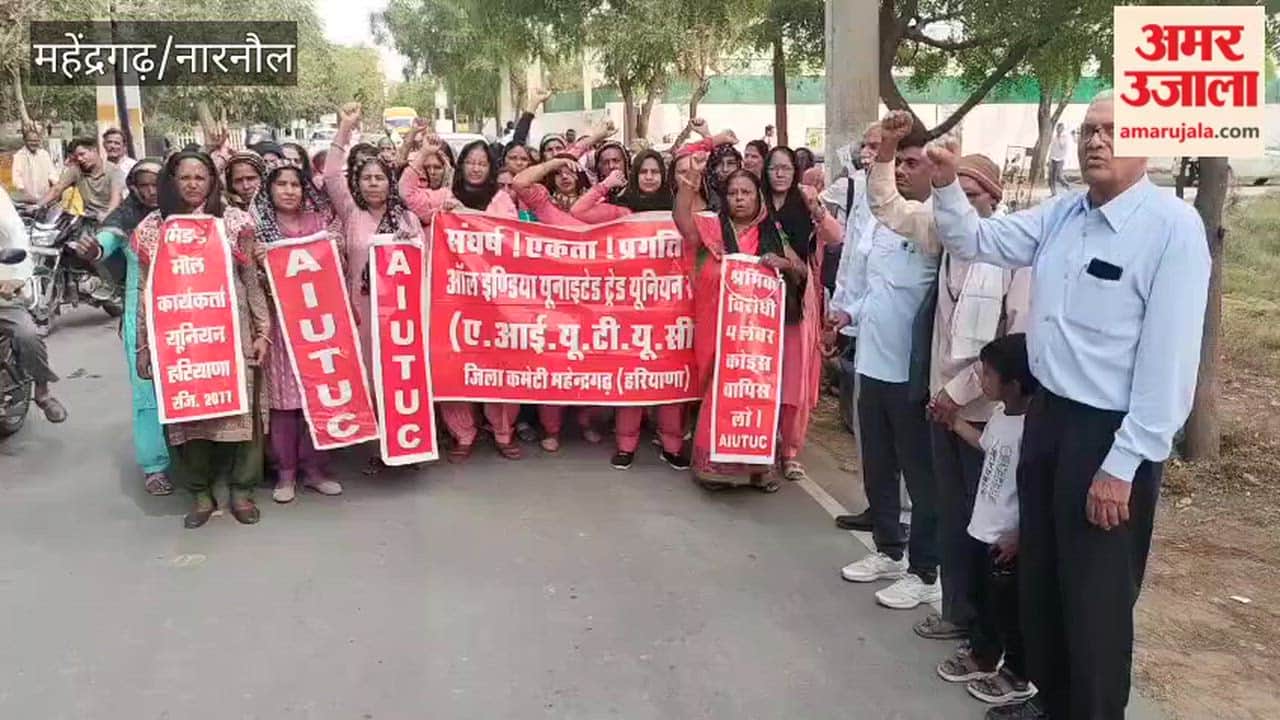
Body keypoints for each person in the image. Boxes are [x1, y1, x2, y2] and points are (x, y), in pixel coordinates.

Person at [928, 89, 1211, 720]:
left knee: (1095, 601)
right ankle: (1051, 703)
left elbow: (1169, 364)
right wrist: (947, 187)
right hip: (1049, 418)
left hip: (1109, 436)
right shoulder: (1064, 214)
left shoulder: (1171, 230)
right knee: (1045, 582)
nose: (1096, 141)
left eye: (1111, 130)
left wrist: (1124, 464)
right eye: (1088, 129)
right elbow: (976, 240)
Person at [865, 109, 1034, 640]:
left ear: (992, 199)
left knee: (990, 519)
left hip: (991, 413)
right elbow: (887, 206)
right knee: (951, 511)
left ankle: (987, 629)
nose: (960, 204)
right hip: (943, 404)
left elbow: (1015, 342)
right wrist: (887, 151)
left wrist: (959, 395)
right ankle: (957, 614)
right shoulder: (943, 237)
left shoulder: (1014, 252)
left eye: (971, 194)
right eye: (952, 193)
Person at [133, 150, 272, 528]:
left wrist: (263, 331)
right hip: (180, 339)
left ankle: (242, 490)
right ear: (172, 182)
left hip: (231, 332)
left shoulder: (233, 222)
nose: (193, 184)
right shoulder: (153, 228)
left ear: (212, 181)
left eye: (201, 177)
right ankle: (200, 493)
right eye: (185, 177)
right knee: (187, 415)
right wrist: (143, 346)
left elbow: (251, 282)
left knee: (242, 411)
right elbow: (146, 290)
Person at [833, 126, 941, 610]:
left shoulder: (938, 226)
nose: (900, 170)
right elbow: (874, 289)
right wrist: (847, 313)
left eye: (910, 163)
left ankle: (925, 571)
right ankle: (888, 550)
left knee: (920, 477)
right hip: (872, 362)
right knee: (877, 463)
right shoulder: (881, 222)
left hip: (912, 373)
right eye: (897, 162)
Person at [673, 155, 806, 494]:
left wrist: (782, 264)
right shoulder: (712, 228)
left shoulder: (771, 232)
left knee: (755, 388)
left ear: (757, 197)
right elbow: (682, 222)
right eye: (733, 193)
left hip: (757, 337)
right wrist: (691, 178)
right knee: (720, 388)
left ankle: (758, 466)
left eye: (747, 192)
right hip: (717, 329)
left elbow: (802, 270)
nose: (740, 199)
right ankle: (715, 467)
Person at [402, 137, 523, 461]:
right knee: (453, 364)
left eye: (482, 163)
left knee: (499, 367)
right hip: (451, 300)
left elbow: (510, 238)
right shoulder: (444, 197)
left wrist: (468, 215)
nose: (476, 168)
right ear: (460, 165)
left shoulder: (501, 200)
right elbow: (406, 194)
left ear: (490, 168)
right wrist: (425, 152)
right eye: (470, 161)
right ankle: (463, 433)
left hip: (493, 302)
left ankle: (502, 431)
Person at [568, 150, 689, 469]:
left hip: (671, 310)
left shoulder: (678, 211)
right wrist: (605, 185)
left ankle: (673, 445)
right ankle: (626, 445)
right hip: (629, 311)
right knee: (632, 380)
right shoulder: (623, 210)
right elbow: (579, 211)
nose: (650, 177)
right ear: (635, 175)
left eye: (655, 171)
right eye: (644, 172)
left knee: (670, 381)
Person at [939, 333, 1037, 708]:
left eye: (989, 375)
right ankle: (982, 656)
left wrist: (1019, 535)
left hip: (1005, 540)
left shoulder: (1032, 430)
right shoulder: (1002, 415)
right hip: (982, 528)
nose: (982, 380)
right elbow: (986, 446)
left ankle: (1017, 673)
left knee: (1009, 611)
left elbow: (1034, 492)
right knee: (982, 599)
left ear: (1013, 384)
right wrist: (954, 422)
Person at [253, 156, 345, 503]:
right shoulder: (257, 225)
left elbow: (337, 263)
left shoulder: (320, 222)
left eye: (295, 184)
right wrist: (258, 260)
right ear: (269, 189)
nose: (289, 191)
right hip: (279, 326)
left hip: (319, 323)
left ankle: (315, 470)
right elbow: (248, 278)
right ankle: (286, 474)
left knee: (317, 398)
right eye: (281, 184)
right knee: (285, 404)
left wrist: (334, 248)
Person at [73, 160, 168, 493]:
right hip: (140, 315)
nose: (150, 191)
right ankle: (155, 465)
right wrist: (93, 250)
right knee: (147, 391)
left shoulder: (186, 214)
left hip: (186, 312)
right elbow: (104, 244)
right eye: (143, 184)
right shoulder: (125, 219)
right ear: (133, 187)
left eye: (157, 183)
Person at [326, 102, 422, 394]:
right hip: (361, 306)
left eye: (379, 178)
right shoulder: (352, 213)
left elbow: (423, 265)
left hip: (400, 309)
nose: (372, 184)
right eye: (366, 178)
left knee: (399, 370)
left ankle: (399, 430)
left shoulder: (407, 218)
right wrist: (344, 128)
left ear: (389, 182)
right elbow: (331, 175)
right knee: (365, 368)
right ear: (357, 183)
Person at [762, 147, 842, 482]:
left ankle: (790, 450)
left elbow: (837, 237)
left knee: (793, 376)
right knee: (762, 374)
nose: (779, 174)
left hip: (797, 299)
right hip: (758, 301)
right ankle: (760, 445)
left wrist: (819, 211)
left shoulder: (806, 205)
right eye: (773, 168)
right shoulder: (756, 203)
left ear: (795, 172)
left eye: (786, 168)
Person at [827, 122, 882, 530]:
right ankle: (877, 505)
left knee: (894, 430)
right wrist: (841, 312)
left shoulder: (911, 207)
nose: (869, 153)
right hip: (857, 322)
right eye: (867, 146)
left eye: (878, 146)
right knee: (866, 425)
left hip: (891, 335)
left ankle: (901, 515)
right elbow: (851, 259)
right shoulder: (860, 190)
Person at [0, 188, 67, 424]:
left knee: (26, 334)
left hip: (2, 288)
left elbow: (16, 234)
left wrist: (16, 277)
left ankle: (42, 391)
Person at [39, 137, 123, 222]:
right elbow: (57, 188)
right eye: (77, 157)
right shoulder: (76, 170)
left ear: (94, 151)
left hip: (111, 219)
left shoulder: (114, 171)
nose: (79, 159)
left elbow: (116, 199)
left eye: (82, 154)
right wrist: (38, 205)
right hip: (88, 218)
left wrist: (108, 215)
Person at [11, 127, 59, 204]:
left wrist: (57, 187)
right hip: (27, 200)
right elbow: (17, 178)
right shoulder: (19, 156)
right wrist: (24, 193)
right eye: (31, 141)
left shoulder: (44, 154)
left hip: (45, 198)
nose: (34, 143)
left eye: (36, 141)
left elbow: (52, 174)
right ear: (25, 141)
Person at [1047, 123, 1069, 196]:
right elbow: (1051, 149)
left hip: (1060, 159)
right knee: (1051, 177)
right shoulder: (1054, 138)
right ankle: (1053, 193)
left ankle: (1066, 186)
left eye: (1061, 128)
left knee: (1059, 177)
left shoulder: (1064, 137)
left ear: (1062, 129)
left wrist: (1059, 137)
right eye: (1058, 128)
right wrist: (1049, 159)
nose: (1059, 130)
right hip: (1053, 158)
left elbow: (1062, 146)